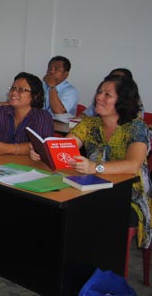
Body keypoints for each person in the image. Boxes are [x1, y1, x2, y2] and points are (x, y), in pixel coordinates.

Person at [35, 74, 151, 247]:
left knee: (80, 211)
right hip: (90, 187)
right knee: (51, 202)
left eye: (107, 94)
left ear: (123, 101)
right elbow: (65, 147)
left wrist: (94, 167)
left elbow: (133, 166)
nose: (98, 97)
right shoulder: (89, 124)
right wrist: (42, 151)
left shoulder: (136, 127)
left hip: (129, 196)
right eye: (99, 92)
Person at [0, 72, 54, 155]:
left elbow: (41, 145)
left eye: (21, 90)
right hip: (3, 163)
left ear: (35, 96)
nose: (14, 93)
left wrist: (8, 148)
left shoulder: (42, 117)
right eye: (13, 88)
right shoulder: (2, 112)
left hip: (32, 166)